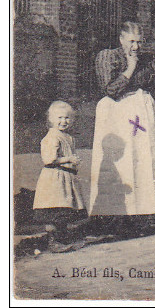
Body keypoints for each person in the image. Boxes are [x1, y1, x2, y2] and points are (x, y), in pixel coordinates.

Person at [89, 21, 155, 231]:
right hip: (117, 114)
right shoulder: (108, 56)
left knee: (144, 160)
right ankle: (116, 214)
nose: (135, 47)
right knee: (122, 161)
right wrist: (131, 67)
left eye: (139, 41)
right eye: (131, 41)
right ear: (121, 39)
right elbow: (110, 89)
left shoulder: (149, 60)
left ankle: (145, 212)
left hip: (143, 112)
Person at [33, 101, 86, 243]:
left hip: (66, 177)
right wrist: (69, 159)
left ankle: (63, 238)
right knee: (55, 208)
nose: (64, 121)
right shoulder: (52, 137)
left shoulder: (69, 138)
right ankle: (54, 240)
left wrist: (73, 163)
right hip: (55, 178)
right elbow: (49, 159)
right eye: (60, 118)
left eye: (67, 118)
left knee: (65, 208)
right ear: (51, 119)